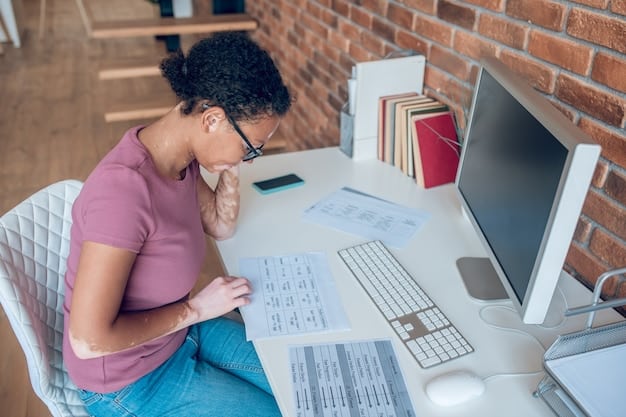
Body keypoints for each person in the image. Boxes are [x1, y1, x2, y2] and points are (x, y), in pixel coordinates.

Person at [62, 31, 292, 417]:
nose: (253, 157)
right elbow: (88, 340)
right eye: (251, 146)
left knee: (299, 386)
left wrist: (230, 161)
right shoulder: (124, 192)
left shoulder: (176, 160)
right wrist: (199, 310)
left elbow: (220, 225)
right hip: (132, 380)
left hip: (178, 331)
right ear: (212, 119)